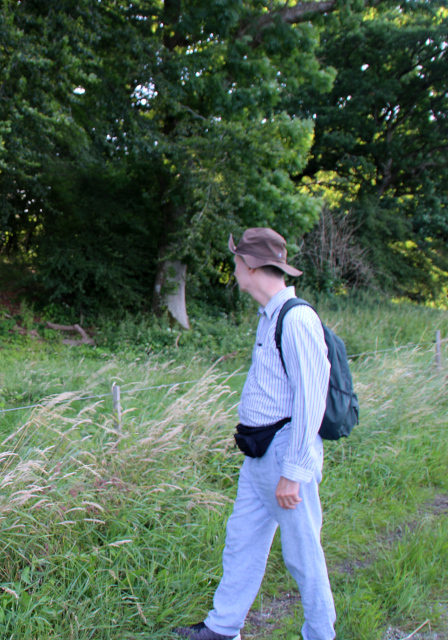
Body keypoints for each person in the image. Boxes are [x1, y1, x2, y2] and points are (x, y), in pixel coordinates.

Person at [173, 228, 335, 640]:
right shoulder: (270, 317)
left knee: (303, 555)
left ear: (249, 265)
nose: (234, 269)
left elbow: (311, 401)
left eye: (235, 261)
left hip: (285, 455)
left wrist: (295, 472)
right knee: (241, 541)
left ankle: (320, 634)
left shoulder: (297, 319)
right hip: (259, 454)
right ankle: (223, 628)